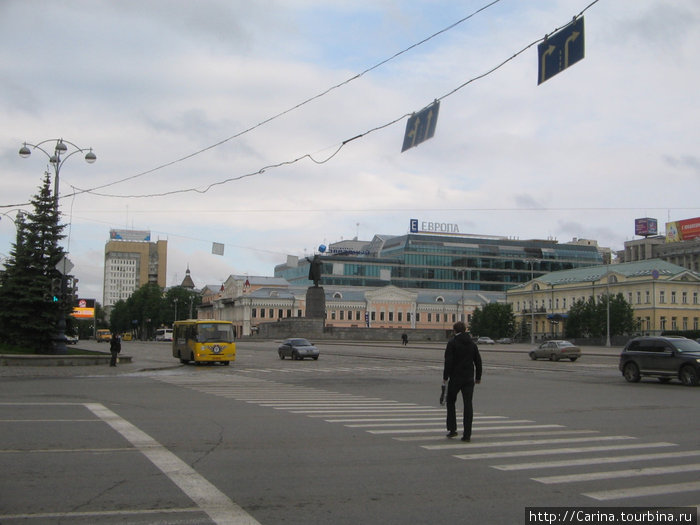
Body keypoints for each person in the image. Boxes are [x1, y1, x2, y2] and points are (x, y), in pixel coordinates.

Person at [442, 321, 482, 442]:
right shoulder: (472, 343)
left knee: (450, 401)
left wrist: (445, 377)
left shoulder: (452, 343)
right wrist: (478, 377)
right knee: (468, 405)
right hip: (469, 378)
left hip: (455, 378)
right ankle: (467, 434)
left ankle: (452, 429)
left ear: (454, 331)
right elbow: (478, 361)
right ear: (465, 330)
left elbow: (448, 361)